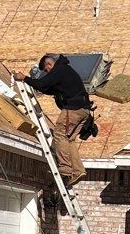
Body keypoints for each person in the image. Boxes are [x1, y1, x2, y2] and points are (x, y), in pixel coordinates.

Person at [19, 53, 92, 186]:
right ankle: (78, 170)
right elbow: (49, 89)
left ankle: (65, 167)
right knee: (69, 140)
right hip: (84, 110)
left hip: (73, 109)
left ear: (49, 64)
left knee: (59, 135)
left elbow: (42, 84)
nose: (47, 73)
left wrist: (24, 78)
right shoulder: (66, 71)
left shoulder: (59, 69)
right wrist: (35, 84)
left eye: (46, 71)